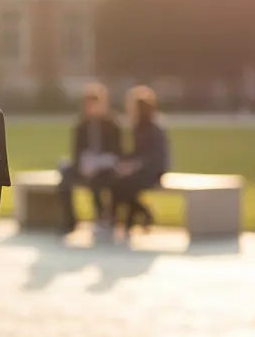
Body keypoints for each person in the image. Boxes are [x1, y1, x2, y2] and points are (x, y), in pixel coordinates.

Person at [57, 82, 122, 233]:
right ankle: (70, 220)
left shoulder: (112, 125)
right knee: (65, 177)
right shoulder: (81, 125)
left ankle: (103, 217)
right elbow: (76, 152)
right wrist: (83, 165)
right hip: (84, 167)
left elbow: (117, 153)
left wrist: (98, 163)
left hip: (105, 168)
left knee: (99, 180)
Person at [110, 85, 170, 237]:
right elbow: (136, 152)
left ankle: (137, 216)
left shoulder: (154, 127)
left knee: (126, 184)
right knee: (116, 182)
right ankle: (137, 215)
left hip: (154, 170)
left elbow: (155, 156)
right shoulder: (137, 126)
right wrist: (124, 162)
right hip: (140, 169)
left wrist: (135, 164)